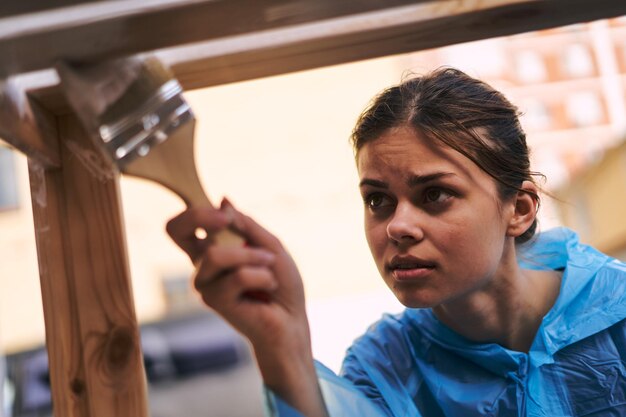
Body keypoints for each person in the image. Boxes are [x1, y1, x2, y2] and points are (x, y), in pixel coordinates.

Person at [166, 68, 626, 417]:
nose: (396, 226)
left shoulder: (617, 311)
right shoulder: (384, 370)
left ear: (519, 209)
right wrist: (281, 343)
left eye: (435, 195)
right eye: (378, 200)